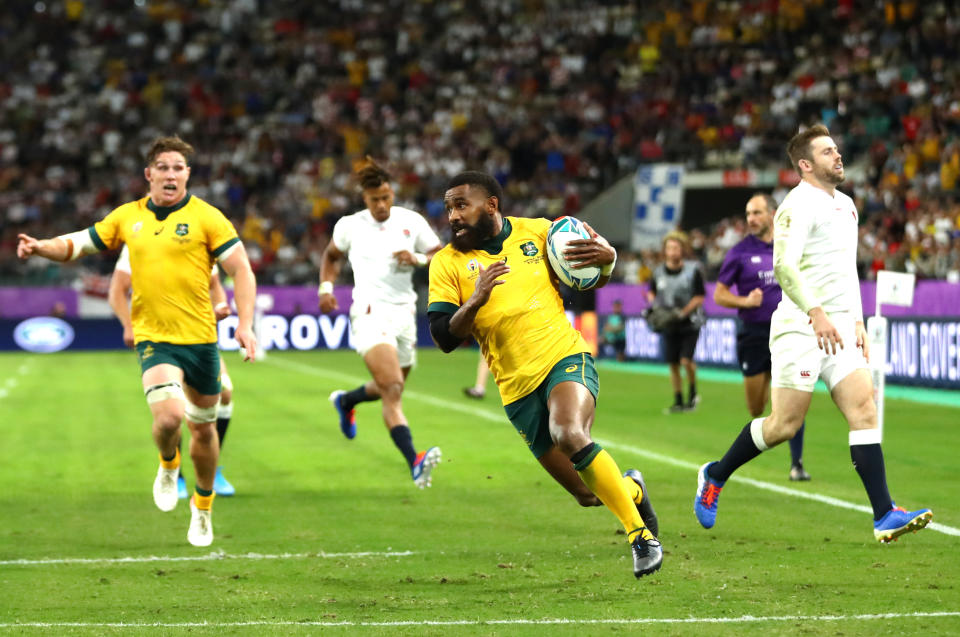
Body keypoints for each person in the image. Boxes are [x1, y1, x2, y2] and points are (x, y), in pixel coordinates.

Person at [694, 125, 932, 543]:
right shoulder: (794, 207)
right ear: (805, 165)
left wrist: (855, 321)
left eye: (837, 150)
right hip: (801, 326)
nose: (837, 156)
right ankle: (715, 474)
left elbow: (847, 271)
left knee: (864, 410)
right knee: (784, 425)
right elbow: (785, 267)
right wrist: (817, 313)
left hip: (839, 325)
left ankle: (883, 515)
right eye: (827, 152)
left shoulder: (847, 206)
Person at [17, 135, 257, 547]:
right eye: (162, 167)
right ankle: (168, 463)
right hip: (155, 339)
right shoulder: (129, 217)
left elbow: (242, 270)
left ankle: (202, 505)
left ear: (187, 175)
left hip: (201, 342)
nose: (170, 174)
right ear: (149, 174)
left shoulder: (209, 218)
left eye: (177, 168)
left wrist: (246, 324)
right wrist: (42, 247)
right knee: (167, 419)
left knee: (203, 431)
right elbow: (78, 243)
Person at [428, 171, 662, 579]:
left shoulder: (540, 233)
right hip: (516, 391)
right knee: (588, 493)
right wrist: (476, 300)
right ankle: (633, 489)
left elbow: (588, 278)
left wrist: (608, 263)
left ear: (491, 205)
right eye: (449, 208)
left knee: (568, 433)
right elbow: (444, 337)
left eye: (461, 205)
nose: (453, 215)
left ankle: (640, 537)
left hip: (564, 358)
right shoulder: (447, 264)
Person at [319, 159, 443, 488]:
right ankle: (415, 460)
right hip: (370, 312)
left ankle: (346, 401)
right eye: (375, 199)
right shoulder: (349, 225)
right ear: (365, 198)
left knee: (390, 386)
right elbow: (331, 256)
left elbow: (440, 254)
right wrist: (326, 287)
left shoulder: (411, 222)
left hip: (405, 315)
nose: (382, 205)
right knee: (392, 390)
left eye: (386, 197)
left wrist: (416, 259)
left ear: (392, 193)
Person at [109, 245, 239, 498]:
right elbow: (117, 289)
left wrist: (221, 304)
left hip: (199, 336)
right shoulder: (139, 237)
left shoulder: (201, 234)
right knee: (172, 408)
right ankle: (174, 471)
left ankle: (213, 469)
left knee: (225, 393)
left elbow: (214, 284)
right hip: (160, 339)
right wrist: (128, 325)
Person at [714, 193, 811, 482]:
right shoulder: (739, 252)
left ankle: (797, 464)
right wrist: (745, 302)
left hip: (788, 332)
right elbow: (719, 294)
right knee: (756, 407)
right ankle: (763, 430)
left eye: (756, 213)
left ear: (773, 213)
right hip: (754, 335)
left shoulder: (792, 247)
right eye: (748, 214)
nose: (751, 219)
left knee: (794, 394)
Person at [647, 232, 705, 413]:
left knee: (686, 361)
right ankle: (679, 400)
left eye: (676, 248)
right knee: (673, 364)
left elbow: (699, 297)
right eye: (669, 248)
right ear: (665, 251)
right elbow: (651, 292)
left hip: (690, 322)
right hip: (669, 323)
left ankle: (693, 393)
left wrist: (683, 312)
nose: (672, 252)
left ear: (682, 250)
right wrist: (656, 306)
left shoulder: (692, 270)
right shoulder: (658, 272)